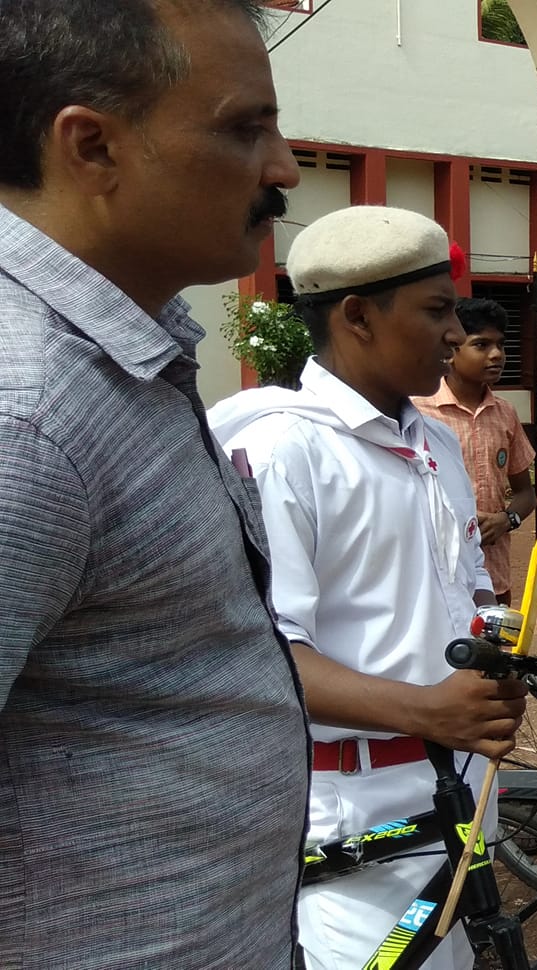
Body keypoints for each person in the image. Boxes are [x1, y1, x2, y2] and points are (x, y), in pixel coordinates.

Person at [0, 2, 307, 965]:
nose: (284, 170)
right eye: (243, 128)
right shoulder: (27, 413)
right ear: (92, 147)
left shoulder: (117, 361)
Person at [209, 206, 525, 970]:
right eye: (437, 310)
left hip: (453, 799)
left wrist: (489, 660)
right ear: (356, 316)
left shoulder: (433, 441)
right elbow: (264, 657)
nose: (456, 334)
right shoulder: (283, 448)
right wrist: (428, 709)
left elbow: (462, 595)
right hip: (356, 824)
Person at [413, 297, 537, 603]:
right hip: (437, 577)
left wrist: (506, 520)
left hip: (495, 576)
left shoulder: (505, 413)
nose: (496, 355)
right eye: (481, 345)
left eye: (501, 345)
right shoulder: (418, 413)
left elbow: (526, 493)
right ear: (452, 352)